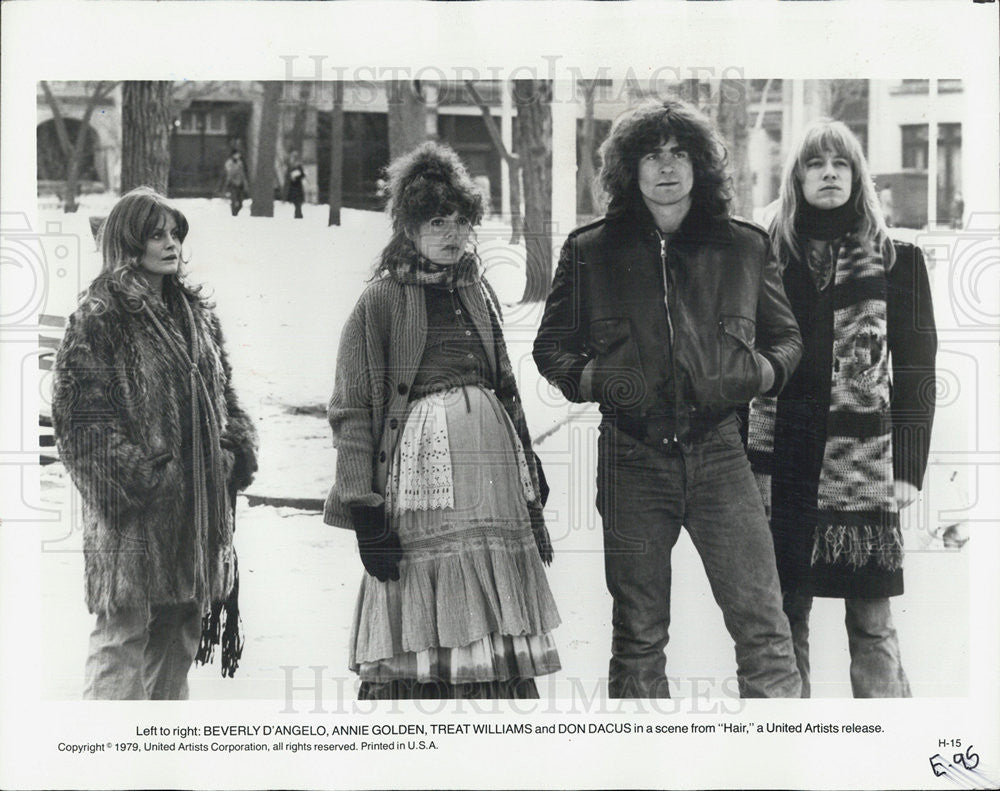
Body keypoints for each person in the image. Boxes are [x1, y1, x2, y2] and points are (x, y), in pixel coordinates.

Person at [533, 98, 802, 699]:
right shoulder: (590, 250)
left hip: (720, 456)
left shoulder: (744, 247)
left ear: (701, 165)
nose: (666, 167)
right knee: (638, 634)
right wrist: (601, 381)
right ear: (628, 169)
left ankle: (782, 757)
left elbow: (787, 339)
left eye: (679, 153)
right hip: (631, 458)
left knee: (763, 625)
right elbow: (552, 348)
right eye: (651, 155)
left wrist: (755, 374)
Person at [324, 142, 560, 700]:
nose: (451, 234)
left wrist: (530, 472)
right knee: (431, 605)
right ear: (408, 227)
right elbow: (353, 410)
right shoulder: (379, 302)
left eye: (460, 221)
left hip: (493, 483)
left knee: (492, 605)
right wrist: (363, 508)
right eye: (436, 221)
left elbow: (506, 388)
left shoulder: (476, 292)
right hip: (424, 492)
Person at [748, 120, 937, 698]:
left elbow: (916, 372)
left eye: (841, 163)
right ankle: (789, 745)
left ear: (858, 177)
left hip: (863, 468)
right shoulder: (766, 259)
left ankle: (888, 743)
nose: (828, 173)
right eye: (815, 163)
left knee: (872, 622)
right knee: (783, 617)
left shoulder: (898, 260)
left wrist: (907, 468)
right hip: (782, 462)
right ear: (796, 176)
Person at [52, 187, 259, 699]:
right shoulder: (100, 316)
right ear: (128, 242)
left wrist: (233, 452)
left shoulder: (196, 314)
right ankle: (108, 760)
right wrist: (141, 480)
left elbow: (225, 394)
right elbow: (78, 419)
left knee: (179, 634)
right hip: (135, 518)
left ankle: (159, 757)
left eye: (174, 234)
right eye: (155, 234)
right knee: (123, 638)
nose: (170, 244)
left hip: (198, 510)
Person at [222, 150, 250, 216]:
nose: (238, 156)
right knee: (234, 199)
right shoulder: (229, 163)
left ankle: (236, 212)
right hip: (233, 184)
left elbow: (242, 173)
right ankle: (234, 214)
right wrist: (236, 168)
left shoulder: (240, 162)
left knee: (240, 202)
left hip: (240, 184)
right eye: (237, 154)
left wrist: (245, 182)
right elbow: (230, 173)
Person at [286, 151, 306, 219]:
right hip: (293, 185)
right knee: (295, 201)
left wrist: (296, 177)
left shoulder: (298, 166)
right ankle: (297, 213)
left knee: (298, 201)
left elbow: (302, 175)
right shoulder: (291, 166)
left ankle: (298, 214)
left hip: (297, 185)